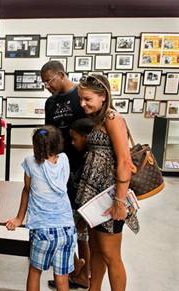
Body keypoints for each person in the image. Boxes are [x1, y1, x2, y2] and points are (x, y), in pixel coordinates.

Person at [76, 74, 139, 291]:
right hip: (95, 197)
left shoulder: (113, 119)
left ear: (103, 96)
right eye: (81, 99)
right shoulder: (98, 120)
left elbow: (124, 161)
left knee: (111, 256)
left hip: (109, 198)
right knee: (96, 249)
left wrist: (119, 202)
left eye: (87, 99)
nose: (82, 104)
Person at [6, 125, 77, 291]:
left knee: (35, 271)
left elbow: (26, 190)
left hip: (43, 228)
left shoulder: (30, 162)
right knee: (61, 279)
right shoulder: (65, 159)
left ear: (35, 146)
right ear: (58, 144)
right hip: (67, 228)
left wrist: (19, 219)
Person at [41, 60, 86, 289]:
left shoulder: (82, 96)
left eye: (49, 81)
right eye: (44, 83)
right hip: (58, 169)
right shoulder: (51, 103)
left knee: (81, 222)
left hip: (83, 168)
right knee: (63, 219)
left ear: (60, 74)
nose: (47, 86)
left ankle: (83, 272)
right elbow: (48, 133)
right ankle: (73, 266)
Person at [68, 118, 95, 288]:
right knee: (80, 239)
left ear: (85, 137)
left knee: (74, 238)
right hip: (79, 207)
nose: (72, 143)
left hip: (81, 208)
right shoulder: (85, 156)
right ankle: (81, 272)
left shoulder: (89, 159)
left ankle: (81, 271)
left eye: (74, 139)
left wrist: (81, 218)